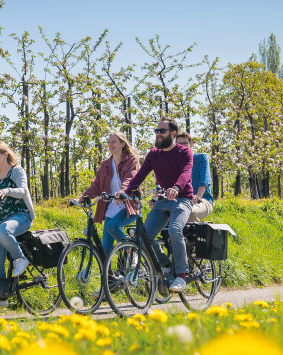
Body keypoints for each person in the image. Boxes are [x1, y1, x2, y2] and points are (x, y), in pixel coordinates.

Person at [119, 117, 194, 293]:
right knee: (143, 235)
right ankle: (165, 264)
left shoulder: (184, 152)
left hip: (182, 199)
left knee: (175, 230)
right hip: (162, 201)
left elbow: (185, 173)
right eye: (156, 131)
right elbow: (140, 176)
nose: (158, 134)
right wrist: (127, 192)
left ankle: (181, 276)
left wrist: (176, 187)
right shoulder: (154, 154)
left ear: (173, 134)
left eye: (162, 131)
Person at [0, 141, 36, 309]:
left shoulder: (17, 171)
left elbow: (23, 190)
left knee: (3, 230)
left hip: (21, 216)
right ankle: (2, 298)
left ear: (5, 155)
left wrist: (7, 191)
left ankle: (20, 258)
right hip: (2, 220)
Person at [76, 132, 140, 256]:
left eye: (114, 141)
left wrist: (122, 192)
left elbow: (130, 179)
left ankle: (132, 252)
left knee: (112, 227)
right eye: (109, 142)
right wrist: (83, 197)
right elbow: (96, 185)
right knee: (106, 251)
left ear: (122, 144)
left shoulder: (131, 160)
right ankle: (108, 275)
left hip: (128, 206)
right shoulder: (105, 164)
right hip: (111, 208)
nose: (110, 144)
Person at [176, 131, 214, 222]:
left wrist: (197, 196)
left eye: (185, 143)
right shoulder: (175, 163)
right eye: (179, 144)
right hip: (181, 201)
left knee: (189, 213)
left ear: (191, 144)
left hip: (202, 200)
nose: (182, 146)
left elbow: (204, 181)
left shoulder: (201, 158)